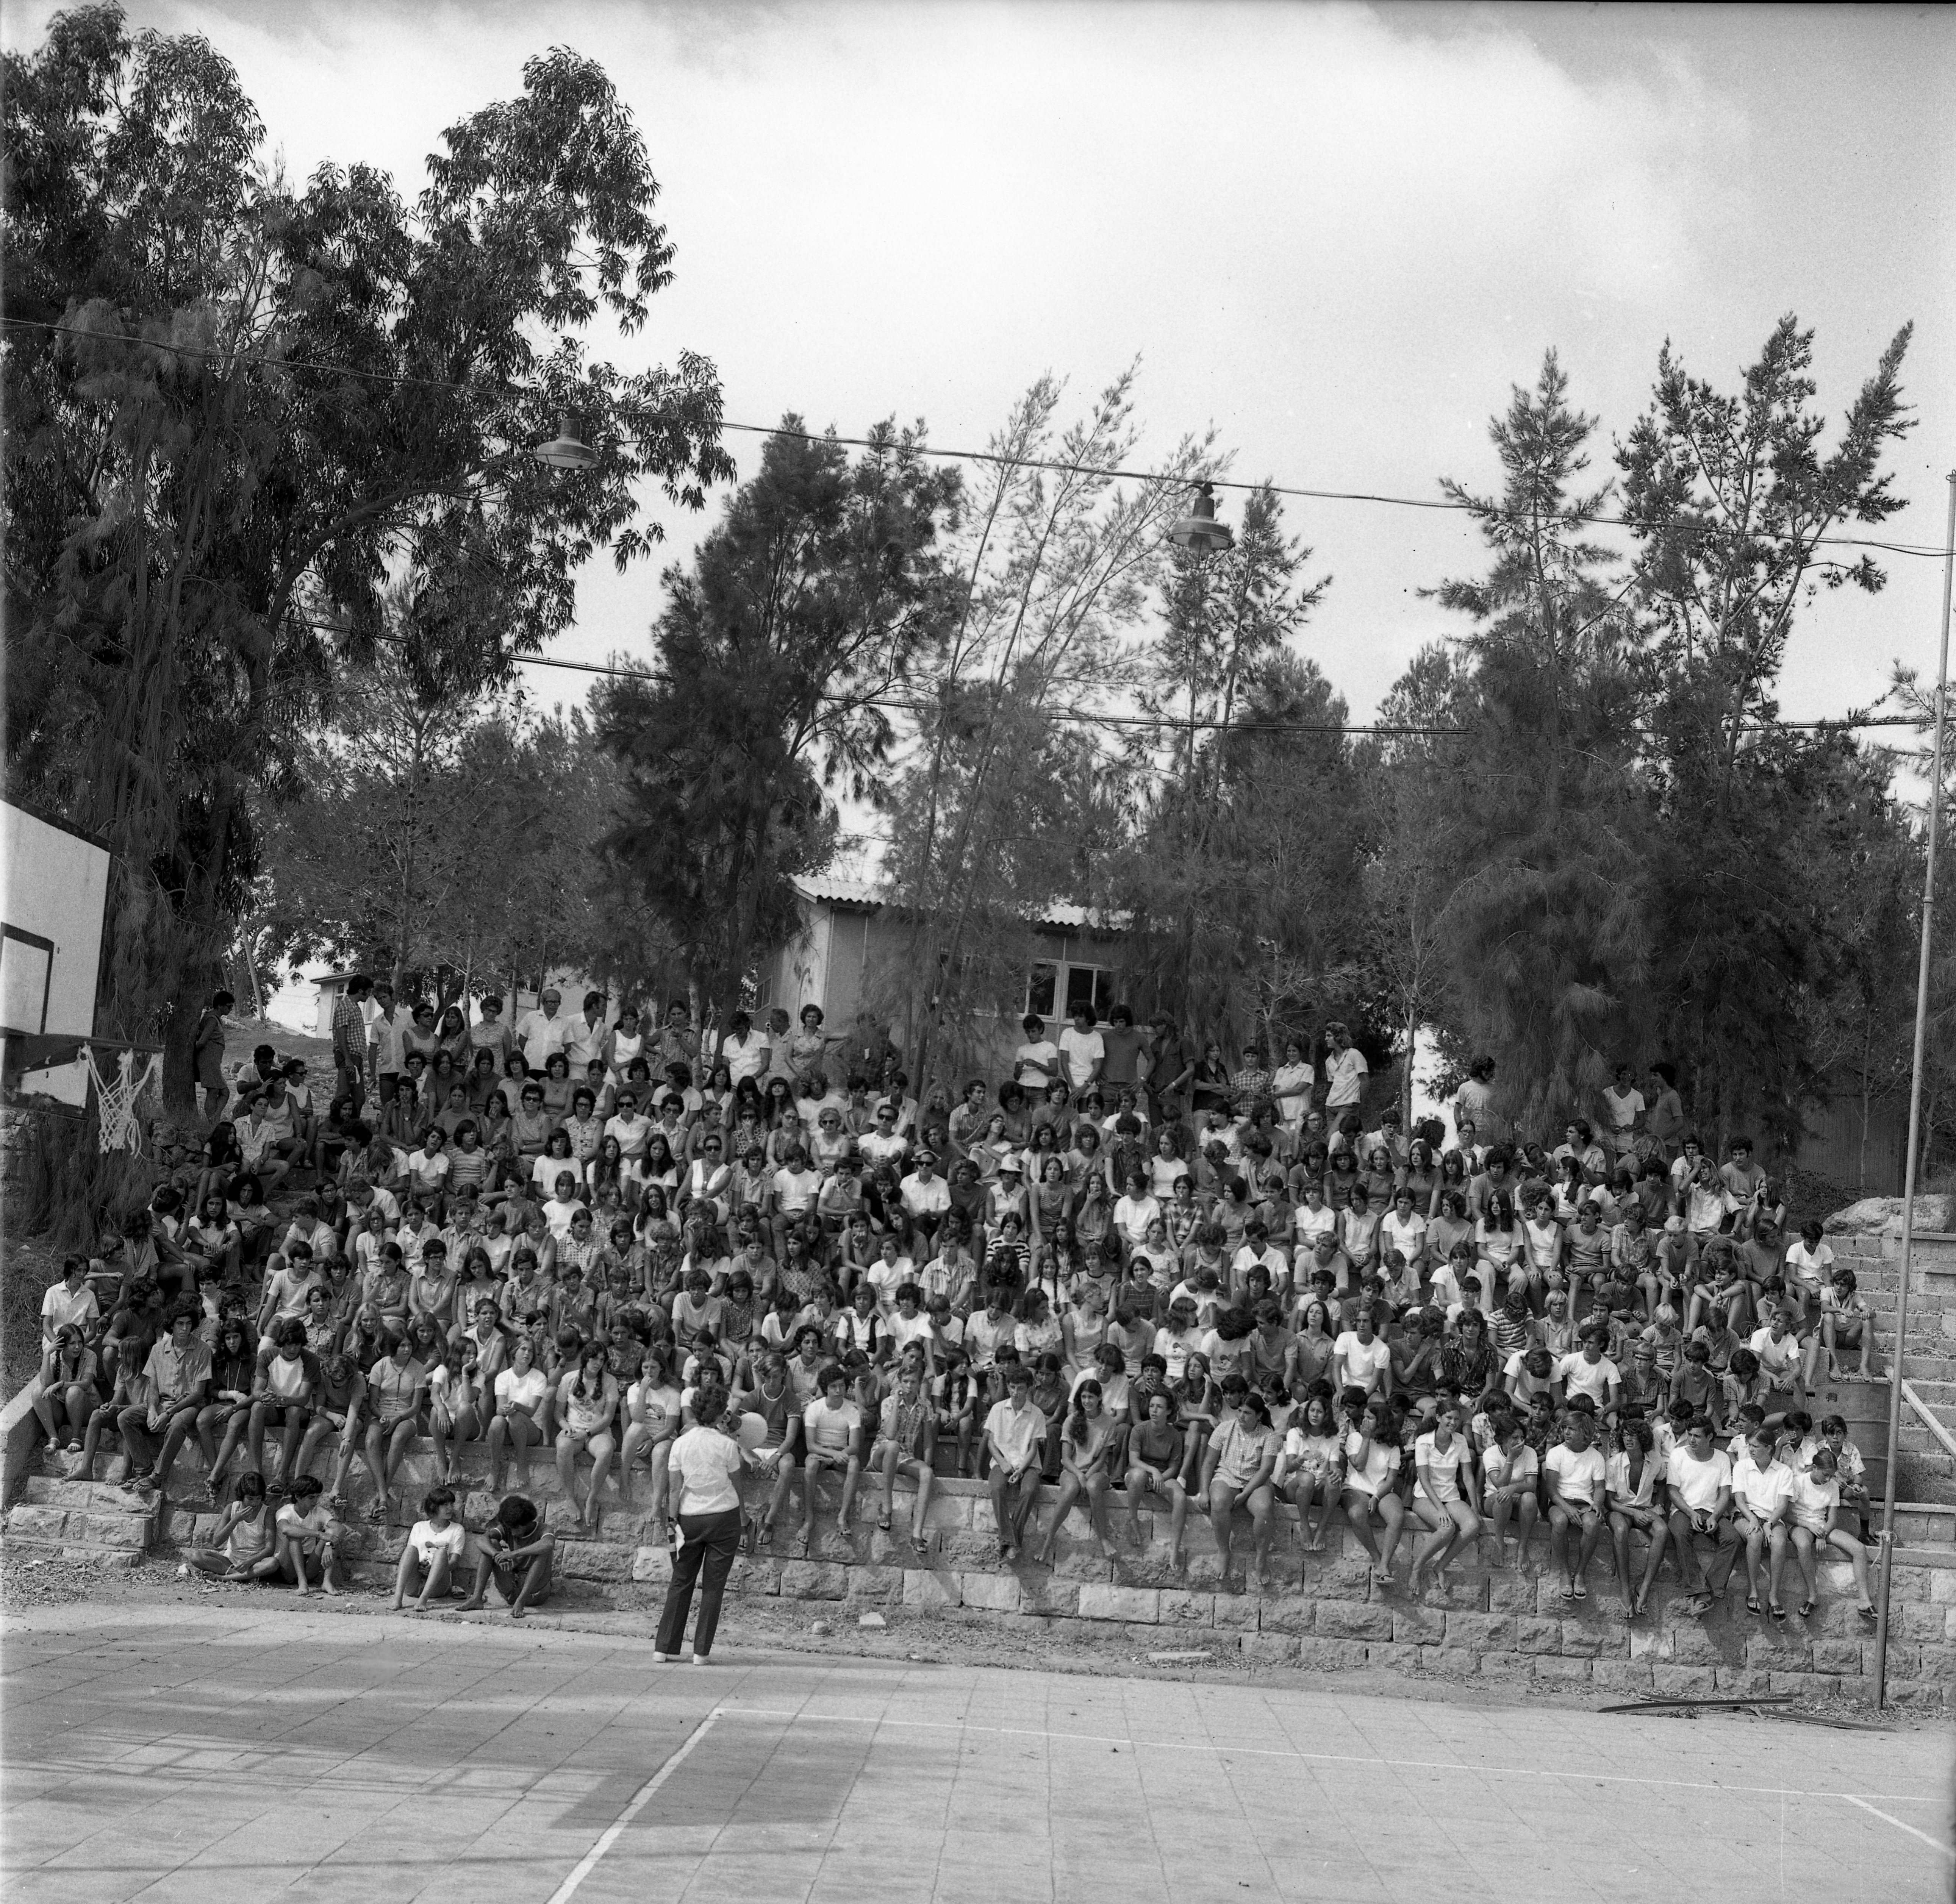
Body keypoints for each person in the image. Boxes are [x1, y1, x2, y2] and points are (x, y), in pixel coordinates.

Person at [653, 1383, 751, 1663]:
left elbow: (674, 1489)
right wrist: (743, 1517)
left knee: (680, 1581)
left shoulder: (679, 1444)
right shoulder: (728, 1445)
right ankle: (701, 1651)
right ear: (721, 1414)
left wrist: (671, 1522)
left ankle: (664, 1647)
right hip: (724, 1516)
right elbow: (737, 1485)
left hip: (689, 1516)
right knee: (713, 1586)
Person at [1034, 1376, 1122, 1567]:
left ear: (1100, 1398)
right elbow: (1066, 1459)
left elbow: (1102, 1459)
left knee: (1092, 1487)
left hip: (1097, 1471)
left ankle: (1104, 1539)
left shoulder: (1109, 1423)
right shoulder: (1072, 1420)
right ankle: (1049, 1539)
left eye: (1091, 1397)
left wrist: (1087, 1476)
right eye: (1084, 1397)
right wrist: (1080, 1475)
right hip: (1072, 1469)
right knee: (1071, 1490)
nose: (1087, 1402)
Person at [1201, 1389, 1280, 1588]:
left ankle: (1261, 1559)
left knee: (1264, 1509)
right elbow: (1209, 1462)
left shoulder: (1269, 1436)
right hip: (1227, 1476)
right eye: (1240, 1412)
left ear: (1259, 1416)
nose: (1242, 1416)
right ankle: (1223, 1551)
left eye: (1247, 1413)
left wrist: (1245, 1494)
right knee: (1218, 1502)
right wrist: (1203, 1491)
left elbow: (1266, 1470)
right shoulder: (1224, 1429)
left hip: (1256, 1482)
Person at [1407, 1400, 1481, 1595]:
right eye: (1449, 1418)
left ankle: (1440, 1565)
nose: (1453, 1423)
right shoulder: (1424, 1441)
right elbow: (1424, 1480)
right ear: (1439, 1418)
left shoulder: (1461, 1441)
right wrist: (1441, 1509)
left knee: (1473, 1525)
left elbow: (1467, 1477)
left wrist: (1474, 1506)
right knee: (1447, 1528)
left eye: (1457, 1419)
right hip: (1425, 1497)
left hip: (1451, 1495)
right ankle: (1418, 1566)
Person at [984, 1360, 1048, 1562]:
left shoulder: (1036, 1413)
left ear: (1028, 1389)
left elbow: (1033, 1447)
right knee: (996, 1489)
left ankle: (1011, 1541)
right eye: (1012, 1387)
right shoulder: (997, 1409)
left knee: (1029, 1490)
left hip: (1027, 1464)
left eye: (1020, 1388)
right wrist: (1002, 1463)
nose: (1016, 1392)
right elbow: (991, 1444)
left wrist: (1021, 1470)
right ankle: (1011, 1542)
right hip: (1002, 1462)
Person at [1123, 1385, 1190, 1567]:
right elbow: (1134, 1460)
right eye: (1152, 1406)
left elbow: (1174, 1466)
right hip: (1140, 1472)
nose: (1154, 1411)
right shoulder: (1140, 1430)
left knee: (1180, 1496)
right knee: (1138, 1476)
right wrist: (1153, 1472)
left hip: (1162, 1477)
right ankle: (1133, 1521)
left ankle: (1175, 1550)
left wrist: (1161, 1477)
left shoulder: (1175, 1436)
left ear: (1168, 1411)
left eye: (1159, 1407)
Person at [797, 1363, 865, 1545]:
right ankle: (809, 1519)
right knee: (810, 1466)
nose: (838, 1390)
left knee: (855, 1463)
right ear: (826, 1388)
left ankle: (842, 1518)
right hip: (820, 1451)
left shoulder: (852, 1411)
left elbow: (855, 1446)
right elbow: (811, 1445)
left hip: (841, 1452)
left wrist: (840, 1454)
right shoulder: (815, 1409)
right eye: (834, 1387)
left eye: (842, 1386)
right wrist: (830, 1455)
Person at [459, 1493, 555, 1618]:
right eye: (509, 1529)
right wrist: (496, 1555)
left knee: (543, 1552)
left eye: (515, 1529)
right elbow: (481, 1540)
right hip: (511, 1589)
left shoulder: (544, 1529)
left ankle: (521, 1601)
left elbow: (548, 1544)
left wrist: (512, 1554)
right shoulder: (508, 1527)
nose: (512, 1533)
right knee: (491, 1544)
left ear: (525, 1523)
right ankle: (477, 1598)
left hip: (535, 1593)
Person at [1545, 1412, 1607, 1601]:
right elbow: (1551, 1488)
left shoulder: (1596, 1457)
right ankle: (1565, 1572)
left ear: (1585, 1432)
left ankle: (1580, 1573)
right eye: (1565, 1428)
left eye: (1572, 1429)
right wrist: (1567, 1508)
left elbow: (1599, 1488)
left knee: (1592, 1524)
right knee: (1560, 1521)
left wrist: (1597, 1504)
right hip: (1561, 1501)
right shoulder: (1556, 1453)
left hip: (1584, 1502)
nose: (1567, 1432)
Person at [188, 1470, 280, 1582]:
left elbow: (270, 1549)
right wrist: (235, 1520)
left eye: (258, 1499)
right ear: (242, 1496)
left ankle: (224, 1578)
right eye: (250, 1499)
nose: (255, 1503)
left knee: (273, 1563)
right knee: (196, 1556)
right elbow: (216, 1542)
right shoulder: (231, 1509)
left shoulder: (267, 1513)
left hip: (256, 1562)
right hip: (231, 1560)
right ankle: (241, 1576)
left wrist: (250, 1562)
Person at [393, 1485, 467, 1610]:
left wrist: (434, 1569)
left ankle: (423, 1600)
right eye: (445, 1505)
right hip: (415, 1582)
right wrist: (420, 1567)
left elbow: (454, 1562)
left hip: (438, 1586)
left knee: (441, 1553)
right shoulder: (419, 1527)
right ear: (434, 1507)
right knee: (410, 1550)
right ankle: (397, 1598)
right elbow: (411, 1557)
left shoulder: (457, 1529)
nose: (450, 1508)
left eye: (451, 1504)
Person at [193, 989, 234, 1121]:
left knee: (224, 1092)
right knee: (214, 1091)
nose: (231, 1009)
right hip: (208, 1060)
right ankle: (212, 1121)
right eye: (229, 1006)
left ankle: (215, 1119)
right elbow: (202, 1042)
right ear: (220, 1005)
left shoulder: (216, 1019)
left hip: (214, 1061)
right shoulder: (211, 1019)